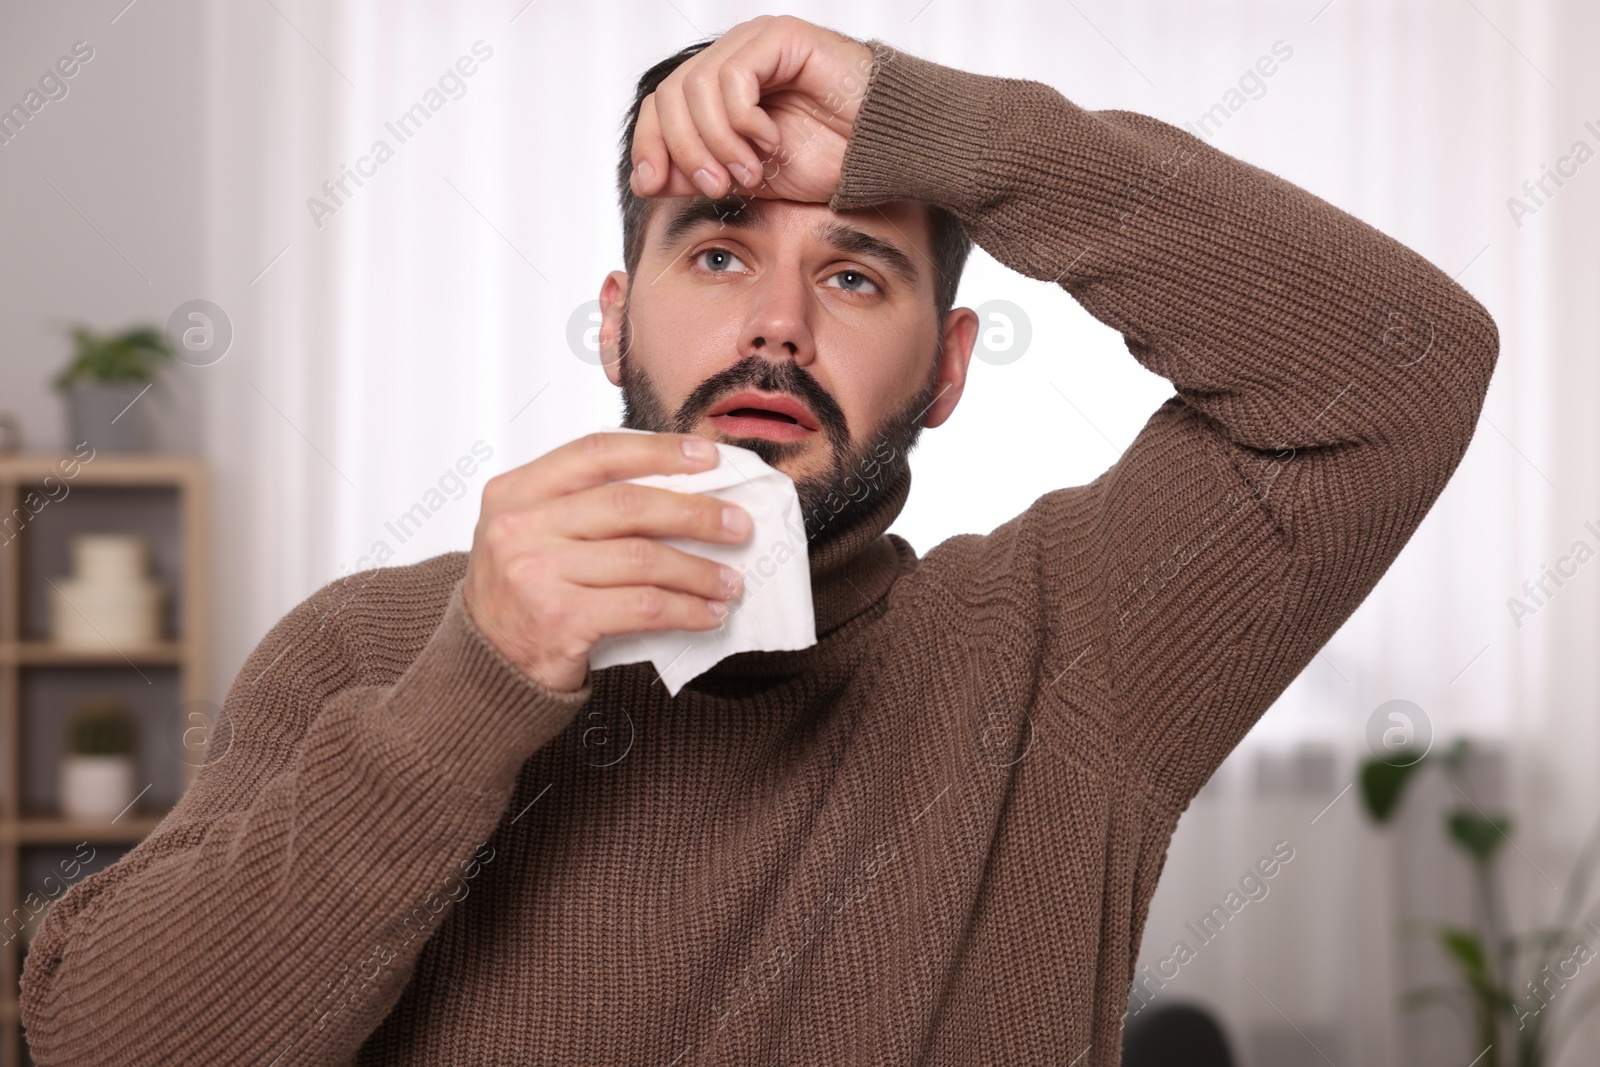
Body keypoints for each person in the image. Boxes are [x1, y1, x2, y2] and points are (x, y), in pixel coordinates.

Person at [21, 14, 1498, 1065]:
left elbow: (1402, 367)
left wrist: (959, 130)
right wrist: (472, 689)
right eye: (718, 251)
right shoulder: (371, 645)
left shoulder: (1075, 649)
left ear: (948, 367)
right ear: (615, 319)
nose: (777, 321)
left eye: (854, 275)